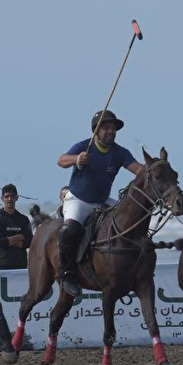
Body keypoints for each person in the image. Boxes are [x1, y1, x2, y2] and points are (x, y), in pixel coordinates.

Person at [57, 110, 143, 295]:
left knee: (128, 220)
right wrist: (77, 159)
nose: (110, 131)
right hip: (78, 199)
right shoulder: (83, 146)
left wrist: (155, 170)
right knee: (69, 230)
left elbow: (138, 169)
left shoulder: (120, 152)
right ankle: (66, 273)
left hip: (102, 201)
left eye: (113, 128)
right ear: (96, 131)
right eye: (106, 128)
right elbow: (61, 160)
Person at [0, 184, 33, 270]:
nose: (9, 199)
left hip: (21, 266)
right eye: (7, 196)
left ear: (17, 197)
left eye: (12, 196)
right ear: (2, 199)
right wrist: (19, 236)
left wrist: (8, 240)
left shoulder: (23, 219)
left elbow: (30, 242)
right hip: (2, 266)